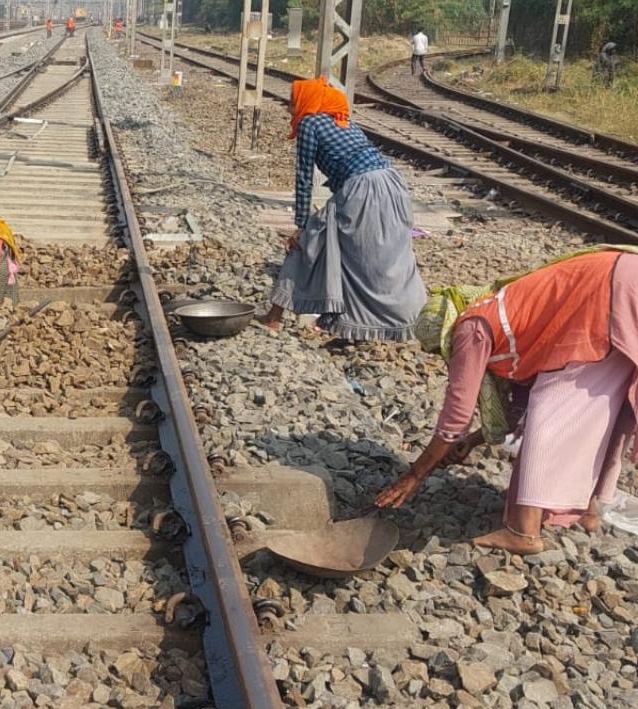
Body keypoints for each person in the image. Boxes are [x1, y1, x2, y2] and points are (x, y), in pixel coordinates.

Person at [378, 249, 638, 555]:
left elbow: (455, 418)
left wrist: (414, 475)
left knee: (550, 411)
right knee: (605, 409)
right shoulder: (505, 308)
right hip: (621, 280)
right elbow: (517, 409)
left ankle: (524, 532)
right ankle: (589, 512)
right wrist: (474, 441)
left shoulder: (471, 327)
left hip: (609, 291)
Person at [259, 77, 425, 340]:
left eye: (293, 103)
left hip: (362, 188)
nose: (290, 109)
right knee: (386, 256)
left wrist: (301, 224)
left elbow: (304, 177)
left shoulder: (309, 123)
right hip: (392, 184)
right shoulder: (343, 120)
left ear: (307, 102)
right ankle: (410, 319)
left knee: (308, 241)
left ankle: (274, 318)